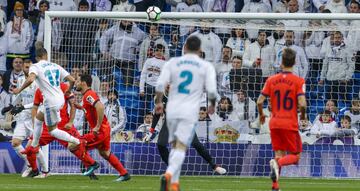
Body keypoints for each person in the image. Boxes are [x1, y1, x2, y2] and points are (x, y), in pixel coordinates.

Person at [155, 36, 219, 191]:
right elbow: (211, 91)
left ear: (185, 48)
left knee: (174, 146)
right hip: (189, 111)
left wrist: (158, 102)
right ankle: (169, 174)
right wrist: (211, 105)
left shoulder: (172, 63)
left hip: (172, 109)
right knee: (180, 147)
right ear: (199, 50)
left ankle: (175, 185)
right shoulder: (205, 66)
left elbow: (159, 85)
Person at [12, 48, 84, 165]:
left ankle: (77, 141)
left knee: (53, 131)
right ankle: (35, 144)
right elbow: (72, 79)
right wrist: (68, 90)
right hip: (59, 99)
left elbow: (30, 79)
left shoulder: (35, 66)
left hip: (51, 102)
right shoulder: (55, 65)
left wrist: (19, 89)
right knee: (39, 117)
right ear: (46, 55)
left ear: (36, 57)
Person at [256, 47, 307, 191]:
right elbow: (302, 103)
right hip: (289, 123)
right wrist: (302, 117)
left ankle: (275, 186)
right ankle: (276, 164)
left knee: (279, 154)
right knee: (295, 156)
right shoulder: (299, 81)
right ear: (295, 62)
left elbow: (260, 101)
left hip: (274, 122)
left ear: (281, 62)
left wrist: (261, 114)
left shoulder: (271, 80)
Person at [24, 82, 98, 179]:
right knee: (29, 147)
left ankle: (91, 168)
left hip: (64, 125)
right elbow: (34, 108)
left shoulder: (63, 87)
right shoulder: (39, 90)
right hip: (46, 127)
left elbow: (73, 104)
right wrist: (36, 126)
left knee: (76, 147)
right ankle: (34, 170)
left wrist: (71, 122)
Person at [75, 74, 130, 182]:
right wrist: (81, 107)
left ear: (83, 83)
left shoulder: (88, 94)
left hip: (100, 131)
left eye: (77, 81)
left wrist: (97, 126)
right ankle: (124, 174)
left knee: (77, 144)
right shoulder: (87, 96)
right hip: (105, 129)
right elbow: (92, 110)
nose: (75, 83)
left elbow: (100, 106)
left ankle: (93, 165)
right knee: (104, 153)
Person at [8, 59, 47, 178]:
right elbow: (19, 95)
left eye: (29, 67)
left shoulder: (38, 83)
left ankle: (45, 170)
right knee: (15, 143)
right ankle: (30, 165)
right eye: (25, 67)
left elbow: (40, 103)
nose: (27, 69)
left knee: (33, 145)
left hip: (35, 117)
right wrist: (10, 106)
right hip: (22, 117)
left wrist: (23, 107)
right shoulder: (20, 80)